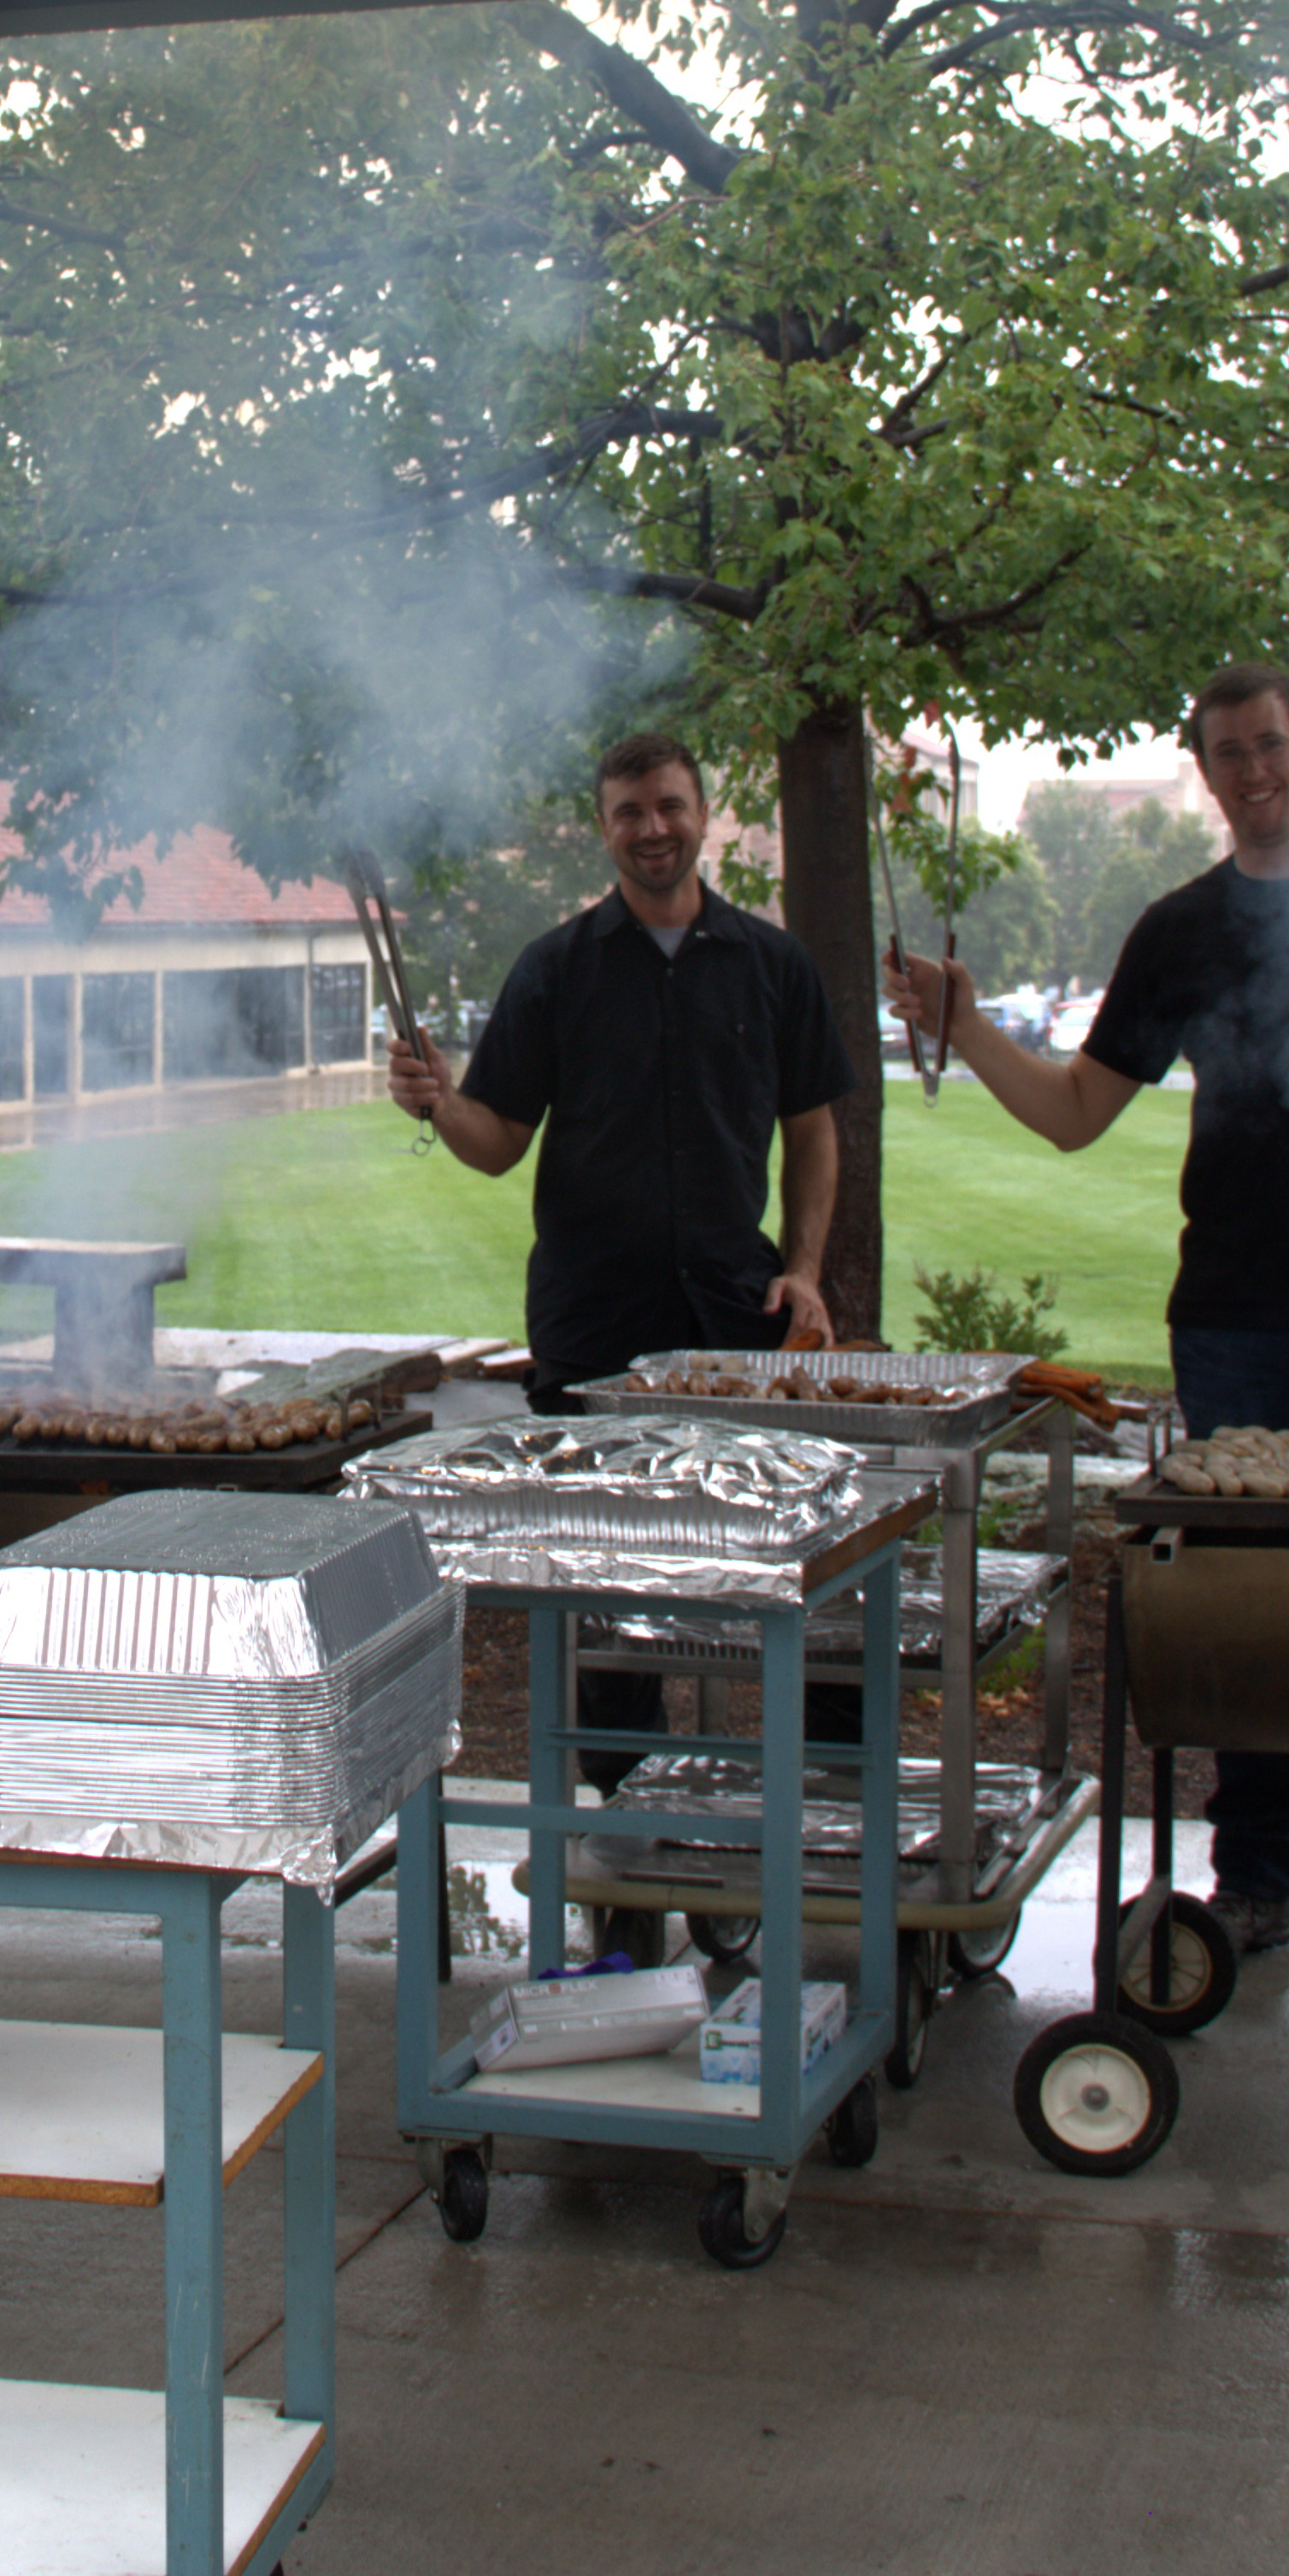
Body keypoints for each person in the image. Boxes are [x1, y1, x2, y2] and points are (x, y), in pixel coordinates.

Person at [885, 663, 1289, 2024]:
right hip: (1236, 1319)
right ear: (1204, 772)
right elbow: (1075, 1110)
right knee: (1252, 1620)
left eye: (1271, 745)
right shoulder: (1182, 928)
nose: (1252, 771)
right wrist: (962, 1024)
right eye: (1227, 754)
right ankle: (1257, 1888)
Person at [391, 728, 852, 1801]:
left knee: (757, 1583)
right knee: (603, 1609)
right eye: (629, 813)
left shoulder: (774, 963)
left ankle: (766, 1817)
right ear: (603, 829)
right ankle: (618, 1830)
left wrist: (809, 1269)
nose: (653, 829)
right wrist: (437, 1103)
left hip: (733, 1326)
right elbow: (499, 1138)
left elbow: (816, 1130)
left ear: (702, 812)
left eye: (669, 806)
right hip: (593, 1330)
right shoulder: (556, 969)